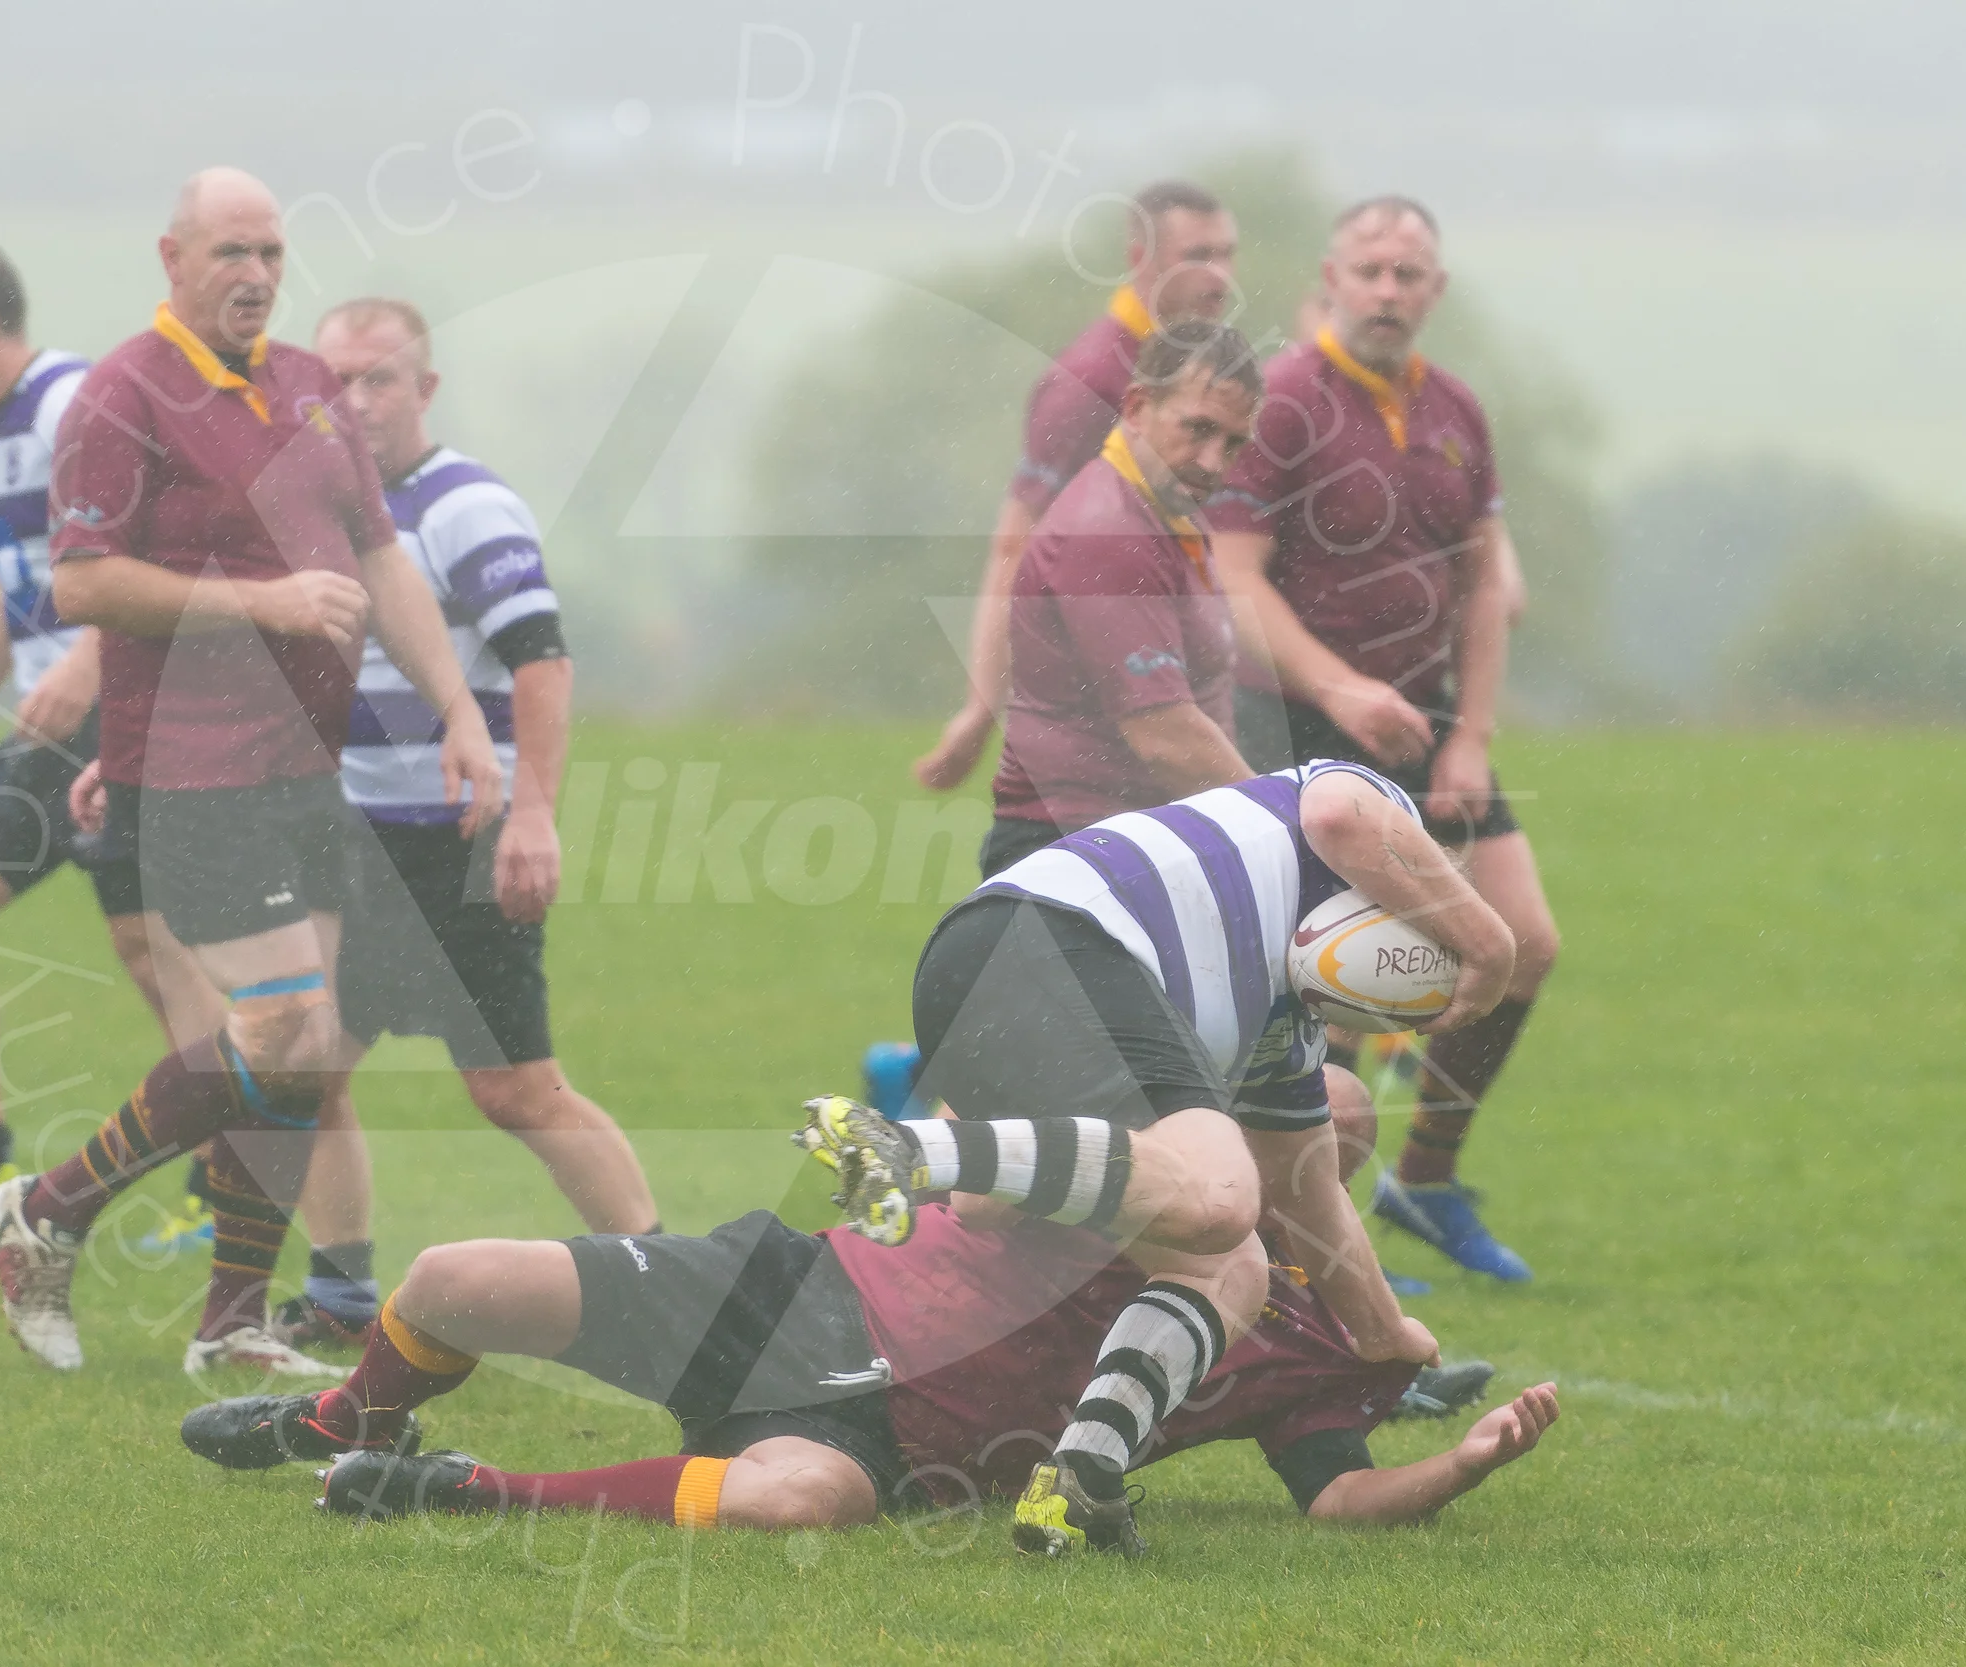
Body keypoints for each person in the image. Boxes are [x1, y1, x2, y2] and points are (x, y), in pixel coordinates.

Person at [175, 1072, 1559, 1542]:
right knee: (451, 1280)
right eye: (1280, 1129)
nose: (1289, 1155)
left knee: (797, 1501)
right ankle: (339, 1415)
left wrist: (1464, 1462)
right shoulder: (1144, 1161)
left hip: (893, 1441)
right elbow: (993, 1187)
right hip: (797, 1289)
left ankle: (461, 1488)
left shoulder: (1324, 1333)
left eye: (1318, 1145)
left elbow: (1336, 1497)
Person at [0, 168, 501, 1378]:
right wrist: (264, 602)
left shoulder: (308, 384)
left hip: (305, 769)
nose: (257, 274)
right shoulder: (120, 394)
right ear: (173, 260)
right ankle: (47, 1207)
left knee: (301, 1055)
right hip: (191, 769)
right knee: (284, 1029)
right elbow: (82, 582)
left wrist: (459, 711)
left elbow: (379, 555)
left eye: (270, 251)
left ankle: (232, 1320)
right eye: (230, 253)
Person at [799, 757, 1517, 1553]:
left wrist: (1385, 1333)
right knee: (1219, 1198)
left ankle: (1079, 1478)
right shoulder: (1357, 809)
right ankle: (905, 1144)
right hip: (1059, 937)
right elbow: (1339, 812)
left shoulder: (1280, 1029)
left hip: (970, 964)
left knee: (1219, 1258)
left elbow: (1305, 1185)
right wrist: (1490, 945)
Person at [263, 299, 660, 1345]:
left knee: (517, 1090)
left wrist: (531, 818)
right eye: (335, 381)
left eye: (379, 379)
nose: (354, 402)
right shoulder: (313, 509)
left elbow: (543, 662)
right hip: (349, 837)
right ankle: (342, 1298)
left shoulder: (466, 506)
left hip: (458, 838)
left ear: (424, 390)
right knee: (308, 1068)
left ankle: (675, 1286)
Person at [1211, 197, 1559, 1283]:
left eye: (1408, 273)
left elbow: (1484, 586)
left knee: (1523, 941)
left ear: (1434, 290)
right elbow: (1232, 575)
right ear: (1331, 278)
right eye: (1368, 269)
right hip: (1297, 721)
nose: (1387, 289)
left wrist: (1472, 736)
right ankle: (1321, 1237)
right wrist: (1336, 684)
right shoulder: (1282, 401)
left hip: (1428, 719)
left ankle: (1428, 1178)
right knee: (1337, 977)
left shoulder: (1456, 408)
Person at [0, 235, 222, 1236]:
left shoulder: (75, 402)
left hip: (131, 715)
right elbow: (14, 588)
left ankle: (227, 1182)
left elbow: (172, 546)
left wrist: (91, 660)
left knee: (156, 955)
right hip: (50, 735)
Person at [914, 180, 1238, 798]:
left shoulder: (1203, 369)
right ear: (1140, 258)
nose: (1220, 276)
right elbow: (1018, 545)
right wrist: (981, 708)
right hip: (1109, 726)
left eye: (1227, 254)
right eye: (1198, 256)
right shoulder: (1089, 380)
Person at [978, 321, 1261, 878]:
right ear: (1136, 407)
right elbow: (1165, 736)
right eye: (1198, 428)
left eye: (1233, 443)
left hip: (1136, 847)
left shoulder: (1167, 508)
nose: (1213, 462)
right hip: (1073, 858)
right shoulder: (1108, 533)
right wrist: (1285, 827)